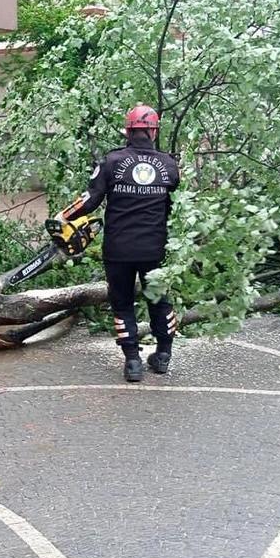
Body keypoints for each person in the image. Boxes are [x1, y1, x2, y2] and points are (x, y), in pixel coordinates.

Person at [58, 103, 181, 383]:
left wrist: (63, 216)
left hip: (118, 249)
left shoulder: (111, 162)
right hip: (156, 248)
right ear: (153, 132)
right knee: (160, 300)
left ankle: (132, 362)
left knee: (122, 304)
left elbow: (90, 200)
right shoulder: (170, 164)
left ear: (128, 130)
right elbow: (182, 203)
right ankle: (163, 356)